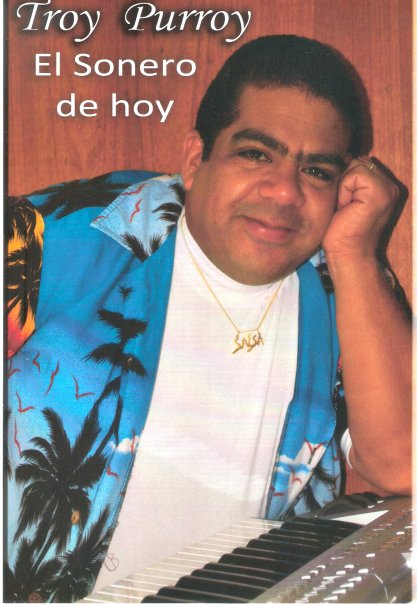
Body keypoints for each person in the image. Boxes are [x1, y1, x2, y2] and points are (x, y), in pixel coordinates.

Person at [5, 35, 411, 602]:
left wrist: (356, 255)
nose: (284, 192)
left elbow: (403, 465)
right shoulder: (45, 240)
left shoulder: (344, 286)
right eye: (256, 154)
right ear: (196, 160)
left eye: (317, 171)